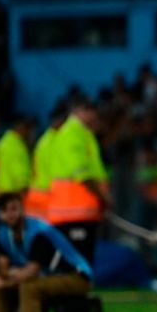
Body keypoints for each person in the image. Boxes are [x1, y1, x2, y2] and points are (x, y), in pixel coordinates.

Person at [0, 192, 93, 312]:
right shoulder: (2, 233)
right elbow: (3, 265)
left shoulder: (38, 231)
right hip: (46, 278)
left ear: (22, 209)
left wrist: (8, 279)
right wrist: (3, 279)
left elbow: (32, 271)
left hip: (76, 277)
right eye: (5, 210)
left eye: (14, 209)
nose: (10, 214)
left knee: (29, 288)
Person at [48, 98, 111, 263]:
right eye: (90, 111)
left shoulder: (83, 133)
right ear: (78, 111)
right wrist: (103, 197)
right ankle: (74, 289)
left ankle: (80, 288)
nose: (94, 115)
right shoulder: (72, 134)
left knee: (83, 258)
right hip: (73, 211)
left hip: (82, 210)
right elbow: (82, 174)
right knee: (76, 260)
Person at [25, 103, 67, 219]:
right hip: (46, 196)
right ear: (61, 121)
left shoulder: (44, 140)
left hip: (37, 194)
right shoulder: (55, 142)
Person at [0, 116, 33, 195]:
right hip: (12, 192)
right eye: (28, 130)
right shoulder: (16, 147)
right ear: (21, 128)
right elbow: (19, 172)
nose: (29, 133)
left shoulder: (2, 142)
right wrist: (23, 189)